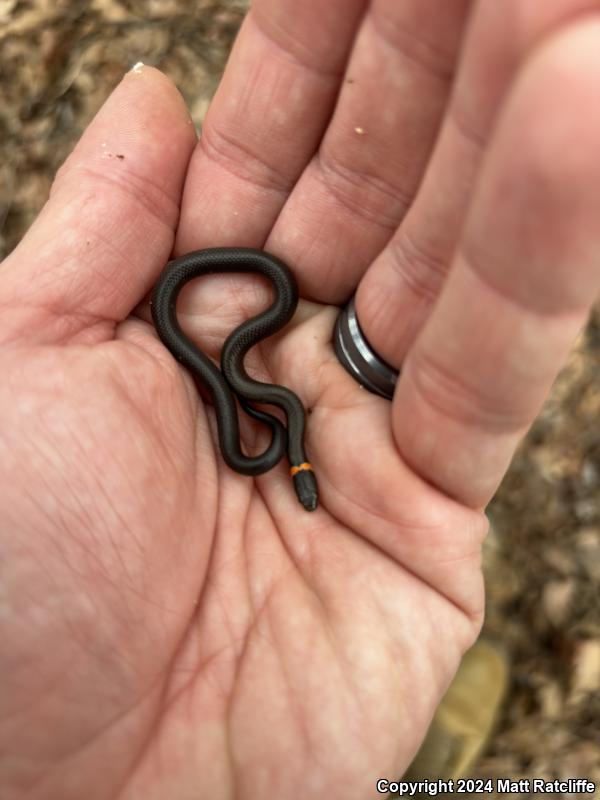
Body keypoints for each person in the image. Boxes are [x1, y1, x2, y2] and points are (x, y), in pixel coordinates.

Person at [1, 1, 599, 797]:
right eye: (301, 480)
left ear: (296, 468)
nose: (297, 480)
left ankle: (425, 752)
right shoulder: (269, 432)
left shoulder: (268, 428)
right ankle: (427, 757)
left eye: (299, 482)